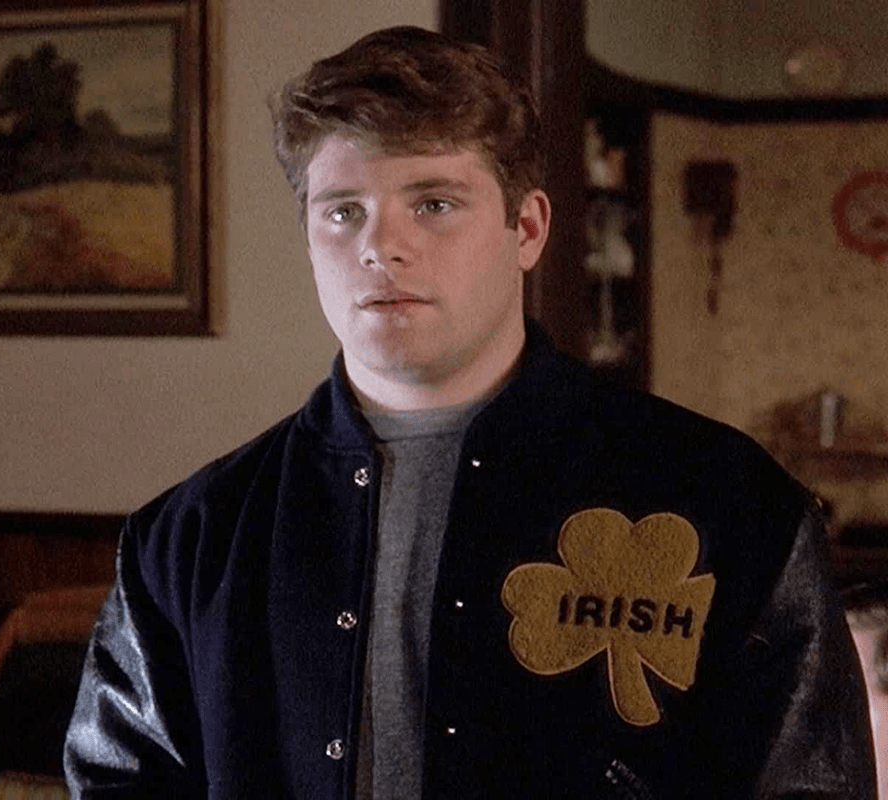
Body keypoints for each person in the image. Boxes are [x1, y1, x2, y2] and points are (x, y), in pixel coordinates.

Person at [64, 26, 875, 799]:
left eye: (435, 203)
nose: (383, 247)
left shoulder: (730, 502)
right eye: (343, 210)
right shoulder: (191, 535)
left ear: (527, 227)